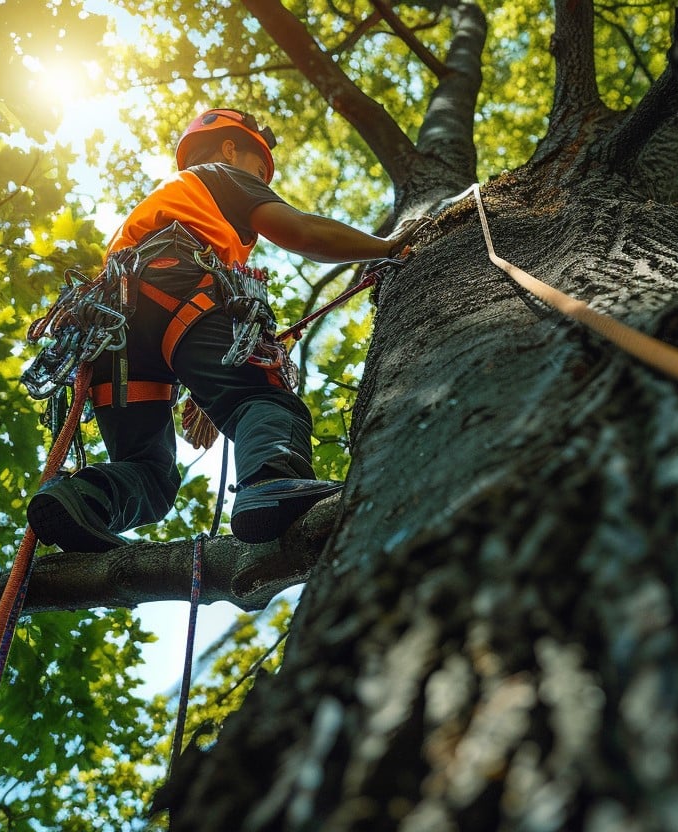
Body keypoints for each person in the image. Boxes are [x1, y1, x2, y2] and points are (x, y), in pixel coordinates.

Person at [27, 107, 410, 550]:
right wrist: (385, 248)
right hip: (181, 289)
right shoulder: (221, 176)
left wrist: (203, 392)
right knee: (261, 399)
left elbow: (156, 323)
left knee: (149, 473)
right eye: (260, 169)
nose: (262, 182)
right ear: (231, 149)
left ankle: (84, 500)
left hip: (111, 333)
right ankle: (273, 481)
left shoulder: (166, 204)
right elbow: (301, 231)